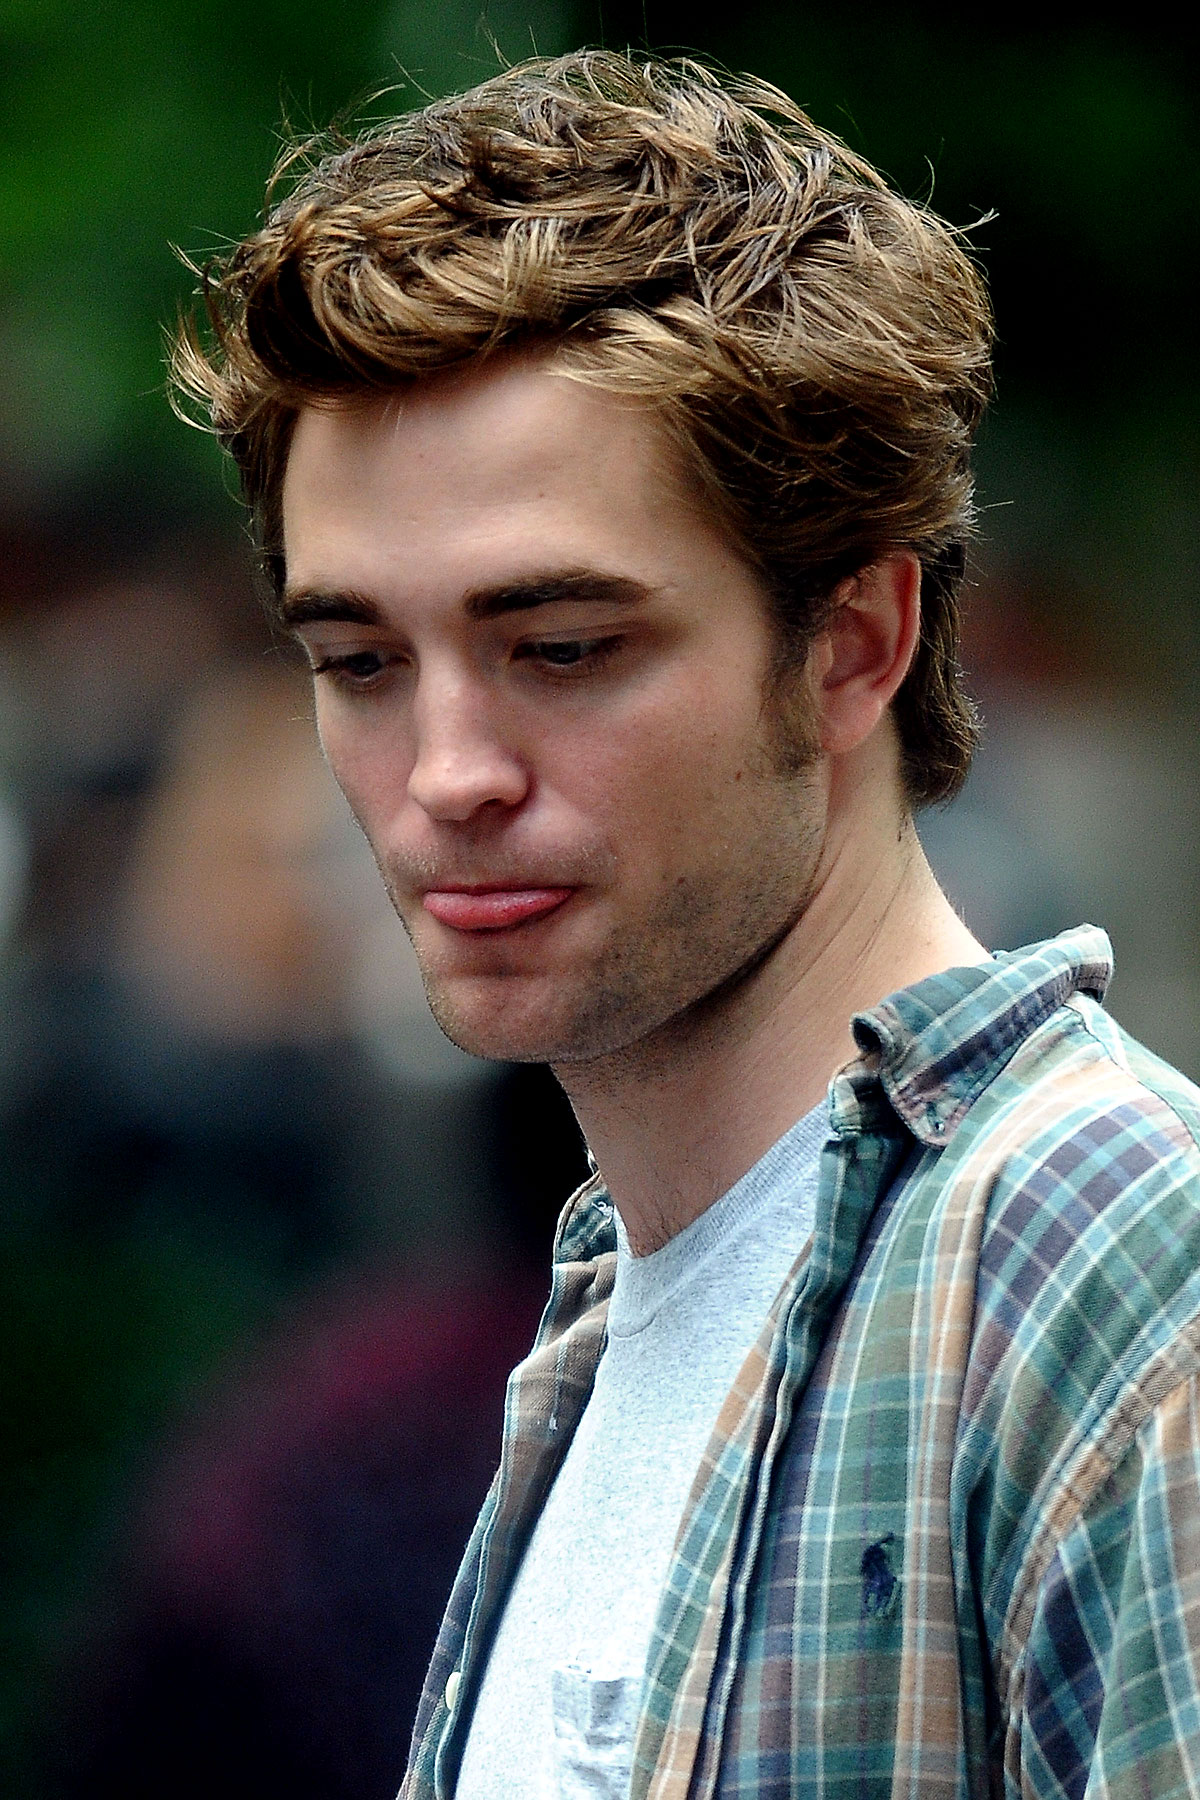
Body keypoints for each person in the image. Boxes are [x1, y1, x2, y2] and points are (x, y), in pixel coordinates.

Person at [173, 51, 1200, 1800]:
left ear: (855, 643)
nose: (447, 772)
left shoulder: (1110, 1273)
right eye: (358, 662)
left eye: (564, 649)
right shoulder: (615, 1315)